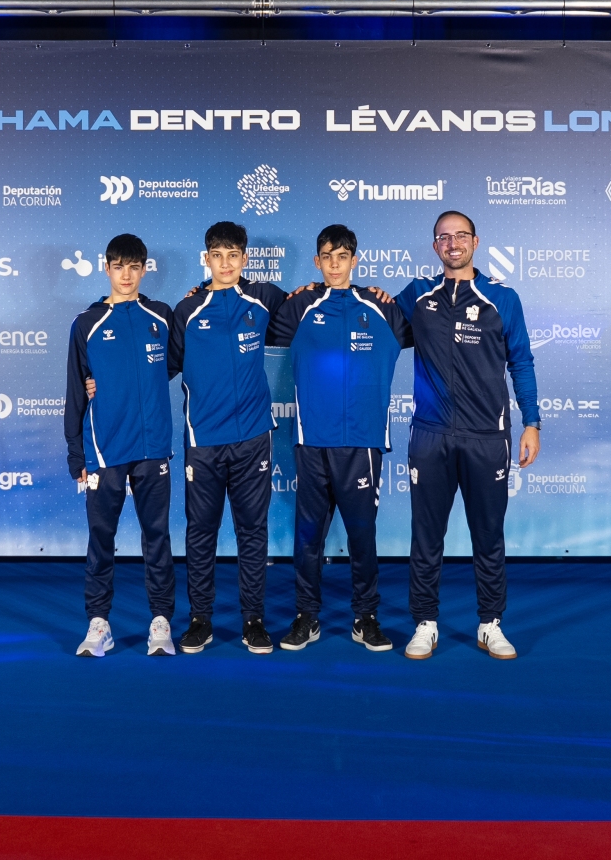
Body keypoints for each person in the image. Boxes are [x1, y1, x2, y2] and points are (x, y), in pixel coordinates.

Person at [394, 211, 540, 661]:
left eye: (461, 236)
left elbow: (521, 361)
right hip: (430, 435)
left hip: (486, 438)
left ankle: (490, 624)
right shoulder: (417, 295)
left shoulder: (502, 298)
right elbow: (372, 324)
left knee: (488, 535)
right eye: (444, 237)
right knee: (426, 536)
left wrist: (532, 423)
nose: (453, 243)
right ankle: (425, 623)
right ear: (435, 246)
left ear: (475, 242)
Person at [267, 224, 412, 653]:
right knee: (308, 537)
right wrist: (202, 288)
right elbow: (251, 313)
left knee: (362, 536)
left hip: (363, 443)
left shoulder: (382, 307)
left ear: (354, 260)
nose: (334, 264)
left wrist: (386, 295)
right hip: (313, 441)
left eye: (342, 256)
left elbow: (429, 325)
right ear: (317, 262)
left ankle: (366, 618)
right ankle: (306, 616)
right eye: (327, 257)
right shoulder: (299, 306)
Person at [167, 221, 286, 655]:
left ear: (245, 258)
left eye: (233, 255)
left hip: (253, 437)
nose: (225, 263)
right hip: (203, 440)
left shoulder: (264, 298)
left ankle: (254, 620)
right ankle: (200, 620)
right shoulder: (187, 310)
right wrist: (100, 383)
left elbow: (309, 308)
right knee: (201, 532)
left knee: (252, 531)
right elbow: (161, 367)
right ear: (207, 259)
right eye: (217, 256)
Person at [63, 233, 180, 658]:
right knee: (101, 539)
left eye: (134, 267)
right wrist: (76, 452)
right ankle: (99, 623)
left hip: (153, 449)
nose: (126, 275)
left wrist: (128, 381)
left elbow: (172, 364)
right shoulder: (86, 323)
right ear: (106, 268)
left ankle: (161, 622)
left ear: (144, 269)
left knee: (157, 538)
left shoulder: (162, 315)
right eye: (118, 267)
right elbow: (75, 389)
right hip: (105, 450)